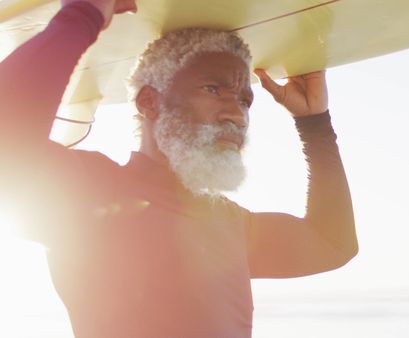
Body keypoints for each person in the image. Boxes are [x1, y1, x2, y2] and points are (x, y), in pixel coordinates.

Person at [0, 0, 357, 336]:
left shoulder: (229, 223)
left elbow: (332, 243)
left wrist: (314, 125)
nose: (237, 114)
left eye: (245, 99)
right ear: (149, 101)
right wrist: (81, 16)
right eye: (213, 88)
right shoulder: (88, 194)